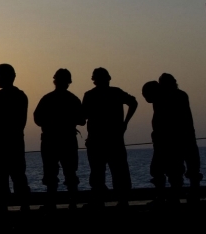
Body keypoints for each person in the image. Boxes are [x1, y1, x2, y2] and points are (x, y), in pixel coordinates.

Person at [81, 67, 137, 208]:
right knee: (118, 172)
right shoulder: (116, 93)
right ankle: (122, 200)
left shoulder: (90, 95)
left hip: (97, 140)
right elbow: (133, 102)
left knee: (98, 173)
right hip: (113, 140)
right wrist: (125, 123)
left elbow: (83, 116)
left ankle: (100, 200)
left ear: (94, 80)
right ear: (108, 78)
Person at [33, 69, 85, 210]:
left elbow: (37, 119)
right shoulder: (73, 99)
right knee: (69, 172)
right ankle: (72, 203)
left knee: (51, 173)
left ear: (55, 81)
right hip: (67, 141)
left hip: (51, 141)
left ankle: (52, 203)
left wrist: (51, 124)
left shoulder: (47, 99)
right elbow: (81, 120)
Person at [0, 64, 30, 212]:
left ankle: (3, 206)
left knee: (1, 175)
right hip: (15, 141)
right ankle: (24, 205)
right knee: (17, 175)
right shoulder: (21, 96)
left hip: (0, 143)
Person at [155, 74, 201, 204]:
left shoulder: (164, 97)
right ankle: (192, 194)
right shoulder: (181, 95)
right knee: (189, 169)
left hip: (175, 139)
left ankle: (177, 195)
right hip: (187, 137)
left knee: (176, 170)